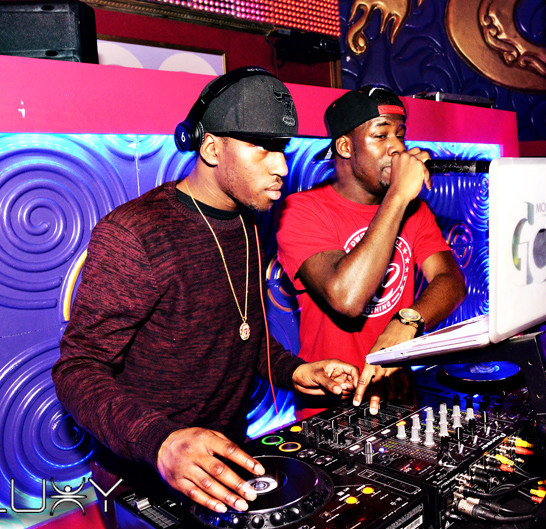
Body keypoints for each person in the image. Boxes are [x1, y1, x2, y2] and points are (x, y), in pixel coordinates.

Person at [52, 67, 359, 521]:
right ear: (211, 148)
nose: (281, 166)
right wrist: (160, 441)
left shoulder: (249, 221)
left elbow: (239, 333)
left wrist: (293, 371)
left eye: (282, 148)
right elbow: (77, 369)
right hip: (144, 470)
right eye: (263, 147)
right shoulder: (135, 234)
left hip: (227, 462)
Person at [275, 86, 467, 414]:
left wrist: (409, 321)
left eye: (400, 135)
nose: (398, 148)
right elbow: (347, 298)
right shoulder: (302, 210)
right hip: (332, 407)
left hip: (400, 400)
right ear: (345, 146)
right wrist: (398, 195)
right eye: (381, 135)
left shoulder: (414, 211)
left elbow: (451, 281)